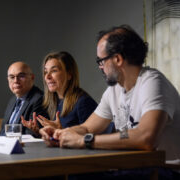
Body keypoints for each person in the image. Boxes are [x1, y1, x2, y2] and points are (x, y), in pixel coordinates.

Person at [40, 25, 180, 163]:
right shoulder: (113, 91)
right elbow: (87, 127)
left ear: (117, 59)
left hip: (166, 170)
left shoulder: (152, 82)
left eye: (101, 61)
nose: (100, 67)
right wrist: (62, 134)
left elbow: (147, 137)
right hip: (134, 167)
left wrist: (84, 140)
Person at [22, 51, 99, 135]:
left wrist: (60, 130)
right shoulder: (53, 102)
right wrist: (38, 131)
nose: (47, 77)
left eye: (54, 70)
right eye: (45, 72)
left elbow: (91, 138)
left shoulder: (84, 102)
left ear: (69, 74)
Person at [0, 61, 48, 136]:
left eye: (21, 76)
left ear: (32, 77)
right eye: (12, 77)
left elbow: (31, 134)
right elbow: (3, 131)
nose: (16, 81)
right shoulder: (13, 100)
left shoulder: (39, 99)